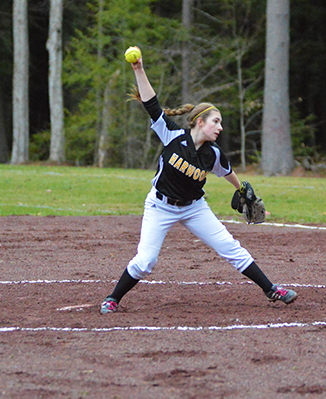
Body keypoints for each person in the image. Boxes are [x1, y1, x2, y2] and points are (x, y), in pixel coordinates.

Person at [100, 50, 297, 314]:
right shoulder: (171, 135)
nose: (220, 127)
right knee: (146, 260)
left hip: (194, 208)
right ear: (200, 122)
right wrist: (138, 70)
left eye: (221, 123)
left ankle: (271, 289)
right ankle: (112, 298)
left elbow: (228, 172)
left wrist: (242, 190)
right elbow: (151, 104)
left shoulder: (213, 153)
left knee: (229, 246)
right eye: (216, 121)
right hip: (160, 206)